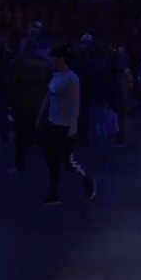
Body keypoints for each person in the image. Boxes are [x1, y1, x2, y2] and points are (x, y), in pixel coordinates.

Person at [39, 45, 97, 204]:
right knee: (52, 160)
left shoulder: (71, 79)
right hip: (53, 122)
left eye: (53, 58)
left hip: (65, 126)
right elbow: (48, 97)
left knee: (67, 161)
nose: (50, 61)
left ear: (61, 59)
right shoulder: (57, 76)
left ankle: (85, 178)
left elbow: (74, 104)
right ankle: (53, 193)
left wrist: (73, 126)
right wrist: (41, 116)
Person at [7, 37, 53, 172]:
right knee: (41, 136)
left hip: (22, 104)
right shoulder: (45, 63)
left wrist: (11, 100)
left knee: (21, 137)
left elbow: (12, 83)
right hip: (40, 104)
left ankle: (19, 165)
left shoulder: (19, 62)